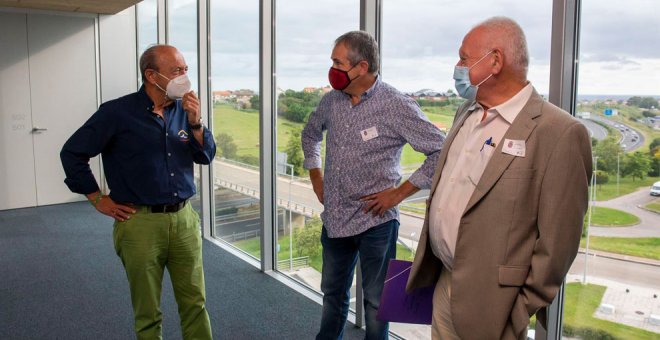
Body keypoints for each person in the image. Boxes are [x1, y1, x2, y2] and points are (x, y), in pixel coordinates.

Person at [406, 17, 593, 340]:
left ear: (495, 61)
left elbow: (558, 245)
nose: (457, 66)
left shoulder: (559, 134)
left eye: (464, 58)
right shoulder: (465, 112)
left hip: (494, 307)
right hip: (446, 284)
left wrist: (518, 311)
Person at [60, 44, 215, 340]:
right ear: (151, 75)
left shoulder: (185, 110)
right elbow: (72, 153)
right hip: (139, 223)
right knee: (148, 311)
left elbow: (205, 156)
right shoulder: (117, 112)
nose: (184, 77)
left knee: (195, 303)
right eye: (176, 71)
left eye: (185, 70)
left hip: (184, 220)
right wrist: (96, 197)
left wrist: (196, 123)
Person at [302, 31, 444, 340]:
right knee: (332, 295)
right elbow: (310, 134)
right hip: (336, 218)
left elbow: (441, 151)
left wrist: (399, 194)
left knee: (378, 303)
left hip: (376, 221)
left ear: (361, 67)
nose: (332, 69)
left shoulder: (396, 104)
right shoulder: (331, 102)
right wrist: (316, 176)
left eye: (338, 62)